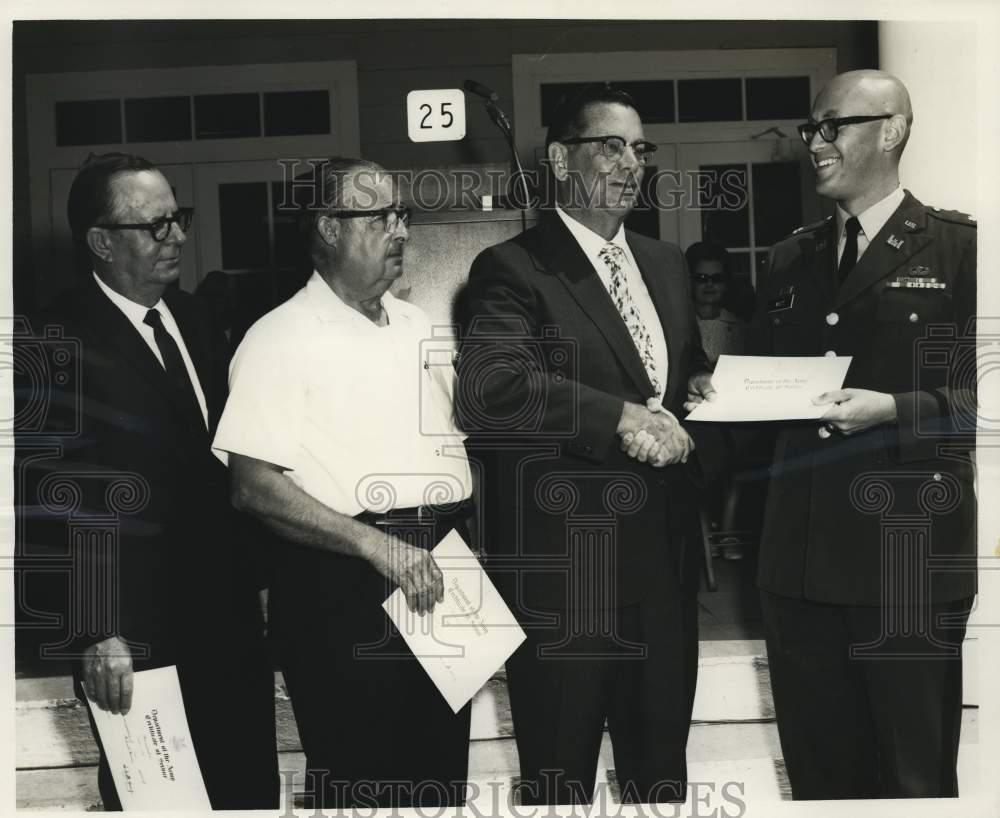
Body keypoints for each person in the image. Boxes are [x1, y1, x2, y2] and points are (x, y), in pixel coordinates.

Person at [688, 69, 977, 799]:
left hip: (905, 559)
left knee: (914, 779)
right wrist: (707, 404)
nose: (814, 143)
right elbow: (759, 398)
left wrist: (895, 409)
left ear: (893, 129)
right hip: (799, 562)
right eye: (811, 129)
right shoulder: (790, 258)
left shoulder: (960, 250)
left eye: (832, 126)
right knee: (821, 782)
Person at [456, 85, 726, 805]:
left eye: (640, 149)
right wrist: (623, 418)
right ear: (557, 158)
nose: (630, 163)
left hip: (664, 573)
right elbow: (492, 386)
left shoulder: (665, 263)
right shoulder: (513, 269)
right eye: (610, 145)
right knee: (559, 780)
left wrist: (699, 391)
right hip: (568, 579)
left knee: (660, 776)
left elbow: (679, 369)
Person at [211, 157, 474, 810]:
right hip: (343, 586)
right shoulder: (278, 338)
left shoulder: (421, 327)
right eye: (378, 217)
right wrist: (374, 546)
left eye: (401, 215)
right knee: (362, 785)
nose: (399, 231)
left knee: (440, 780)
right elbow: (252, 485)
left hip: (441, 568)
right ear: (328, 227)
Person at [23, 152, 278, 809]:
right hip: (135, 640)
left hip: (227, 622)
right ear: (101, 244)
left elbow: (227, 468)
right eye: (155, 225)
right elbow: (54, 500)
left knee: (245, 793)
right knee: (160, 804)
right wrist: (95, 630)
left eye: (179, 219)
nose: (178, 237)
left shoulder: (197, 321)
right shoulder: (53, 340)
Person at [685, 241, 747, 366]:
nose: (709, 284)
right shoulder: (679, 327)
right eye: (701, 278)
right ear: (690, 281)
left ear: (725, 284)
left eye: (717, 279)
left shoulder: (743, 330)